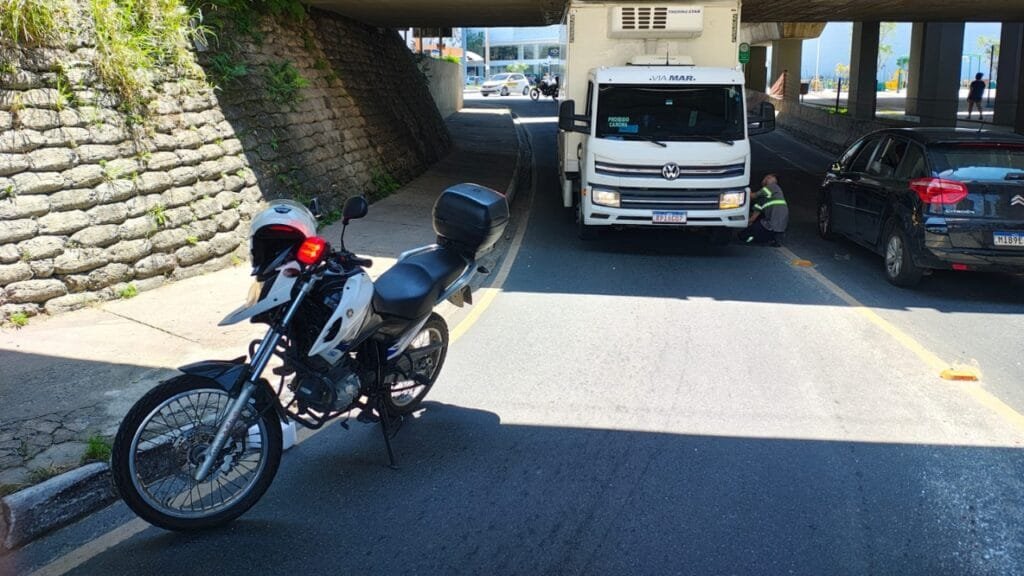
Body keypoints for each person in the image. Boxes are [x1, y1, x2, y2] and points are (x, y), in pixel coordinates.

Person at [740, 174, 788, 246]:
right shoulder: (774, 194)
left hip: (770, 225)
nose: (766, 179)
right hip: (780, 227)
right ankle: (773, 239)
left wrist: (745, 189)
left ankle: (749, 238)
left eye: (768, 178)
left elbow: (752, 196)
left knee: (746, 234)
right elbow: (753, 218)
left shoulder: (772, 187)